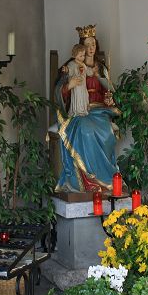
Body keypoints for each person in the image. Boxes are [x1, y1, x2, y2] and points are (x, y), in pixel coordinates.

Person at [54, 25, 120, 193]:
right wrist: (69, 85)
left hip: (100, 111)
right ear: (81, 48)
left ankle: (106, 178)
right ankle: (87, 179)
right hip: (80, 110)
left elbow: (109, 90)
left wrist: (109, 98)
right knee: (85, 130)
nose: (91, 48)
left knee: (107, 133)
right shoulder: (71, 66)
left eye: (93, 44)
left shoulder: (101, 67)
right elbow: (58, 91)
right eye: (87, 45)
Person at [67, 44, 89, 117]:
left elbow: (87, 72)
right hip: (76, 85)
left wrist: (83, 65)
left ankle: (83, 110)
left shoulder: (83, 64)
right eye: (80, 56)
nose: (83, 57)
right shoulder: (72, 64)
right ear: (75, 55)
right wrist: (66, 70)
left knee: (83, 96)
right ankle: (77, 111)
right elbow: (69, 71)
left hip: (83, 85)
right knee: (78, 97)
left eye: (84, 55)